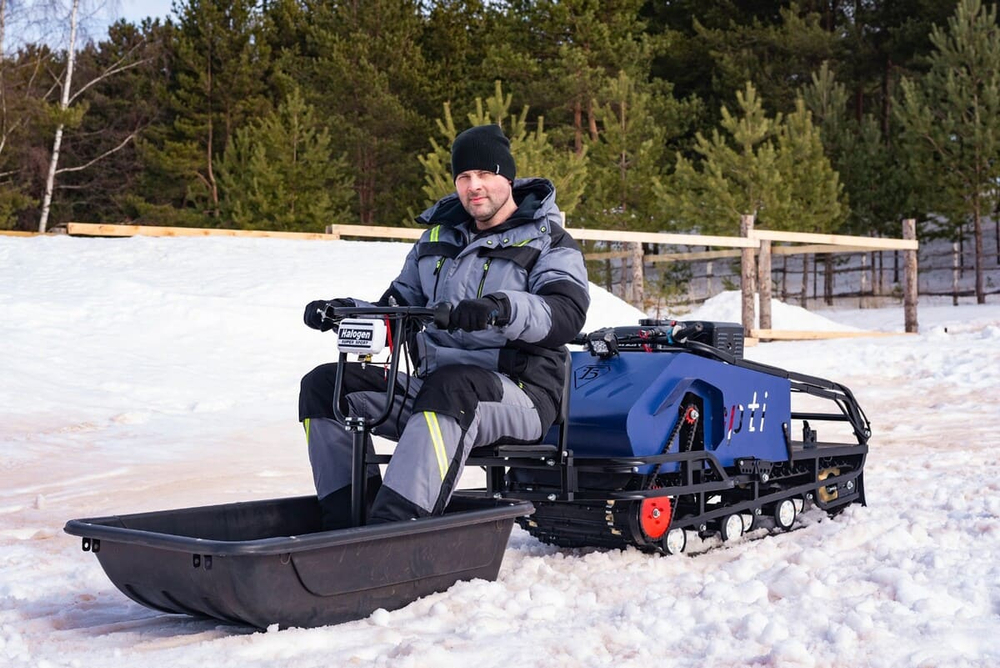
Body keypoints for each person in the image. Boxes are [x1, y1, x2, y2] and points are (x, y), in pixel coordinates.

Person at [299, 124, 590, 528]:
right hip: (435, 392)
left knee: (452, 387)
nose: (475, 186)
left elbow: (565, 312)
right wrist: (344, 313)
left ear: (507, 177)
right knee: (324, 386)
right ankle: (346, 524)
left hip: (522, 393)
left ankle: (394, 530)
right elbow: (396, 309)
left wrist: (499, 308)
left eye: (485, 174)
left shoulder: (548, 241)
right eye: (464, 177)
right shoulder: (436, 239)